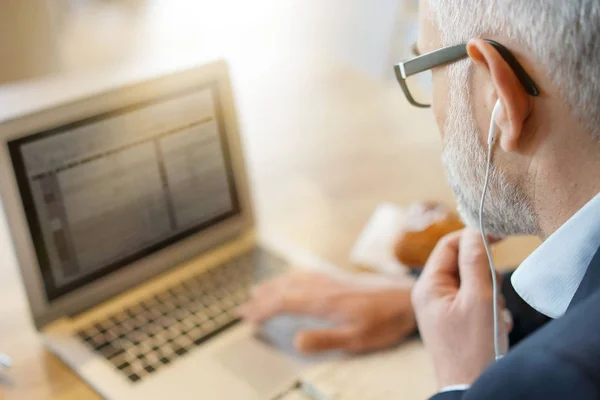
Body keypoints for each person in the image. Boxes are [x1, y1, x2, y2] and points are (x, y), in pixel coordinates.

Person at [243, 0, 600, 398]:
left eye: (430, 73)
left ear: (499, 96)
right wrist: (413, 305)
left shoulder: (551, 377)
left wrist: (461, 380)